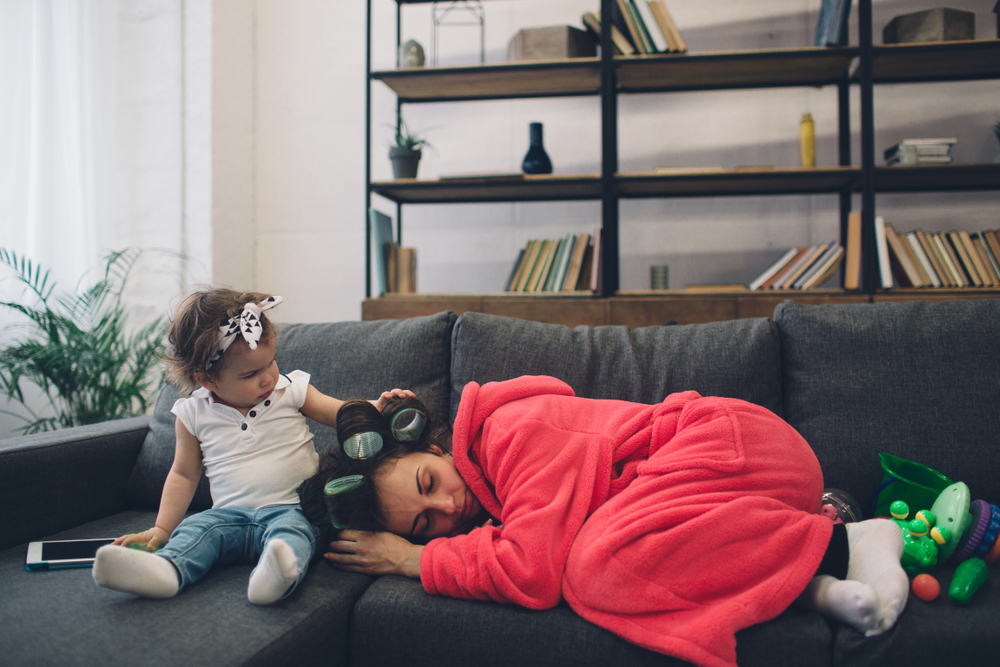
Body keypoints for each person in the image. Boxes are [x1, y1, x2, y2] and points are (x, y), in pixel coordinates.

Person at [306, 375, 909, 667]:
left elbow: (532, 570)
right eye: (424, 526)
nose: (447, 510)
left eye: (427, 484)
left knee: (594, 567)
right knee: (602, 558)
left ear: (433, 449)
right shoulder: (487, 491)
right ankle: (809, 583)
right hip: (719, 491)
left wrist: (413, 558)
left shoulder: (509, 435)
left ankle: (850, 541)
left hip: (736, 446)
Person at [92, 288, 412, 606]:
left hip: (293, 509)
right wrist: (162, 529)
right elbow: (183, 475)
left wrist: (378, 407)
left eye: (271, 362)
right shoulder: (192, 413)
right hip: (228, 517)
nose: (268, 378)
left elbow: (340, 412)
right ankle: (167, 570)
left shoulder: (291, 389)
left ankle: (275, 575)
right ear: (206, 380)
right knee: (197, 529)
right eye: (250, 374)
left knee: (293, 536)